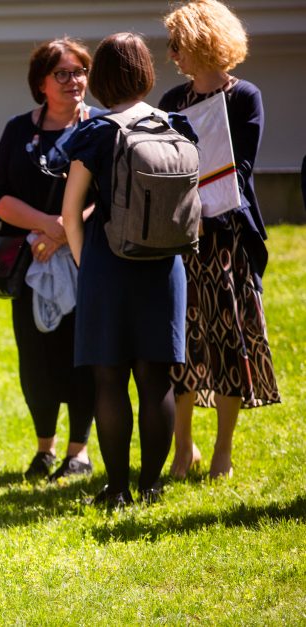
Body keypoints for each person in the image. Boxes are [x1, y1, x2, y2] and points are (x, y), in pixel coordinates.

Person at [61, 32, 194, 507]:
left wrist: (85, 264)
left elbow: (71, 211)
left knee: (110, 379)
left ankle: (117, 488)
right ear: (145, 72)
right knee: (156, 379)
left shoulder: (97, 132)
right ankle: (152, 485)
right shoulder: (174, 124)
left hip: (108, 264)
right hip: (164, 265)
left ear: (98, 77)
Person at [160, 0, 280, 480]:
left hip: (229, 240)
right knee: (182, 346)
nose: (172, 54)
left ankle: (223, 452)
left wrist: (205, 211)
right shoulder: (171, 102)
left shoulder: (244, 97)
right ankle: (183, 445)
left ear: (201, 42)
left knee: (231, 341)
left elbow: (241, 169)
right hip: (183, 241)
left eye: (177, 44)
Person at [0, 38, 98, 482]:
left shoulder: (100, 127)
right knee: (35, 359)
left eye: (79, 71)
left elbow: (106, 197)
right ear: (41, 82)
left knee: (81, 355)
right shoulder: (18, 129)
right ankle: (45, 449)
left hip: (82, 259)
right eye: (62, 73)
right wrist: (46, 227)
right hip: (28, 261)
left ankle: (79, 451)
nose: (74, 81)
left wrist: (64, 231)